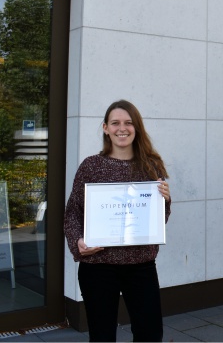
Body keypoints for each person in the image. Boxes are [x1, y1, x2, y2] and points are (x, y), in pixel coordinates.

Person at [64, 100, 171, 341]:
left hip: (140, 265)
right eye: (115, 123)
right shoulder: (91, 166)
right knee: (102, 335)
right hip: (98, 266)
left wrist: (164, 201)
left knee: (150, 334)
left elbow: (158, 221)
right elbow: (72, 212)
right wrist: (78, 241)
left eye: (128, 123)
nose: (122, 129)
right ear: (105, 128)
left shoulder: (151, 166)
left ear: (137, 128)